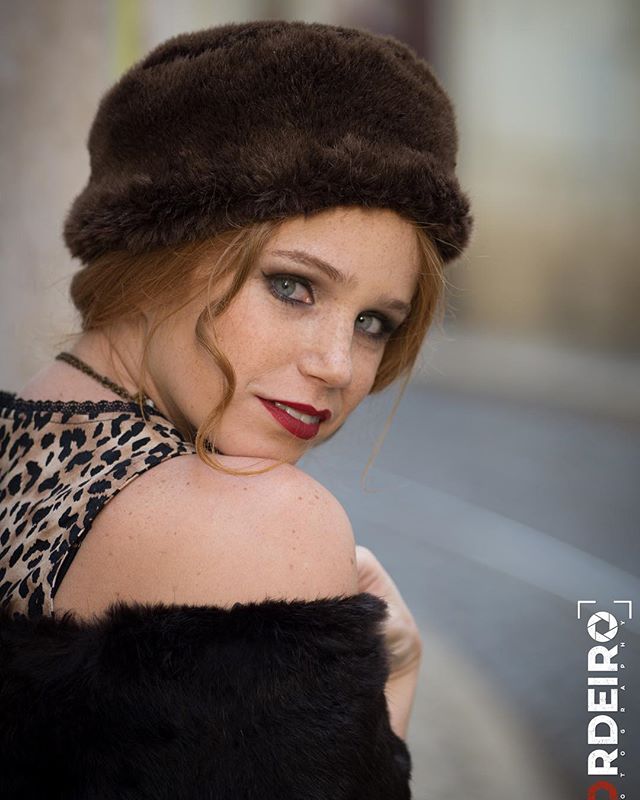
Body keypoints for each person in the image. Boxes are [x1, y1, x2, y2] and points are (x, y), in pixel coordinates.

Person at [0, 19, 472, 799]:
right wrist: (394, 689)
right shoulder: (261, 521)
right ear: (159, 249)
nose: (337, 365)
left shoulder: (21, 436)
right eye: (293, 286)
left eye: (374, 323)